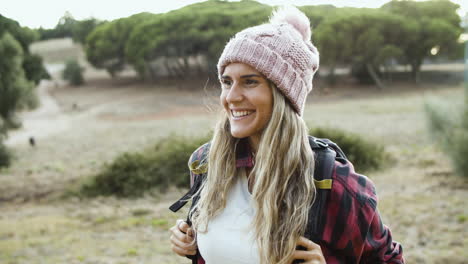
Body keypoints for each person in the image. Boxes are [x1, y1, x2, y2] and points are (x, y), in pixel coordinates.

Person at [169, 6, 404, 264]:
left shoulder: (333, 183)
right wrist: (193, 240)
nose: (231, 97)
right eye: (227, 82)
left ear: (283, 95)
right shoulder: (207, 163)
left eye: (250, 82)